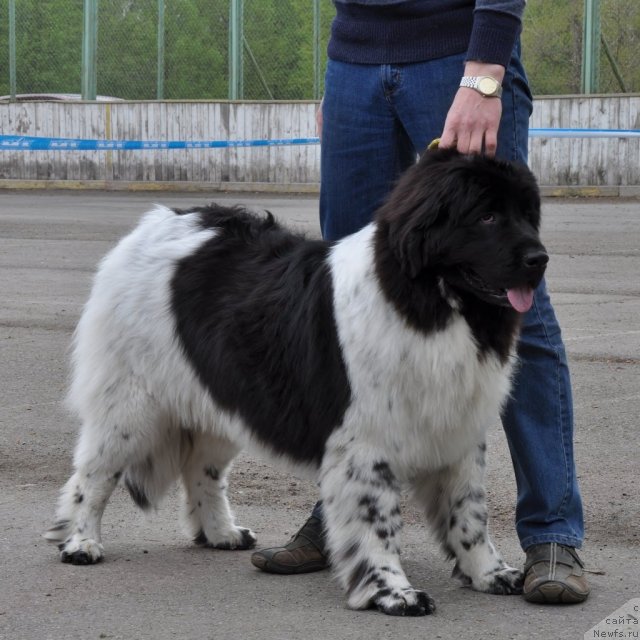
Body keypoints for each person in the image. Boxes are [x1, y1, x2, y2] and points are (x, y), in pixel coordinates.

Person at [250, 0, 590, 604]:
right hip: (356, 59)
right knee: (345, 307)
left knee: (515, 302)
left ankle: (551, 536)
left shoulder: (477, 66)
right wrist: (343, 69)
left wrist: (486, 68)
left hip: (459, 54)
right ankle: (344, 517)